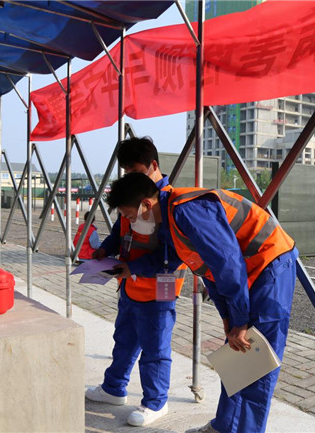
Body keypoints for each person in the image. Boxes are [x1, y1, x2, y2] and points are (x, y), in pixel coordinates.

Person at [107, 172, 299, 433]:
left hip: (269, 264)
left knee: (255, 360)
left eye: (130, 217)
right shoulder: (169, 219)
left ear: (146, 205)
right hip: (246, 271)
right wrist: (229, 318)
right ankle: (225, 426)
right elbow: (193, 266)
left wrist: (240, 321)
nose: (131, 224)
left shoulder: (188, 211)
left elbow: (227, 265)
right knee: (236, 354)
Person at [85, 137, 185, 427]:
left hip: (160, 288)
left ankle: (156, 402)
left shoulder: (170, 203)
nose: (130, 176)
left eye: (135, 170)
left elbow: (172, 255)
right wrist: (105, 249)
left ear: (153, 165)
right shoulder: (131, 195)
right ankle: (114, 388)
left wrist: (133, 268)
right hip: (129, 284)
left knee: (155, 348)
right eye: (126, 172)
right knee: (124, 340)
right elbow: (121, 228)